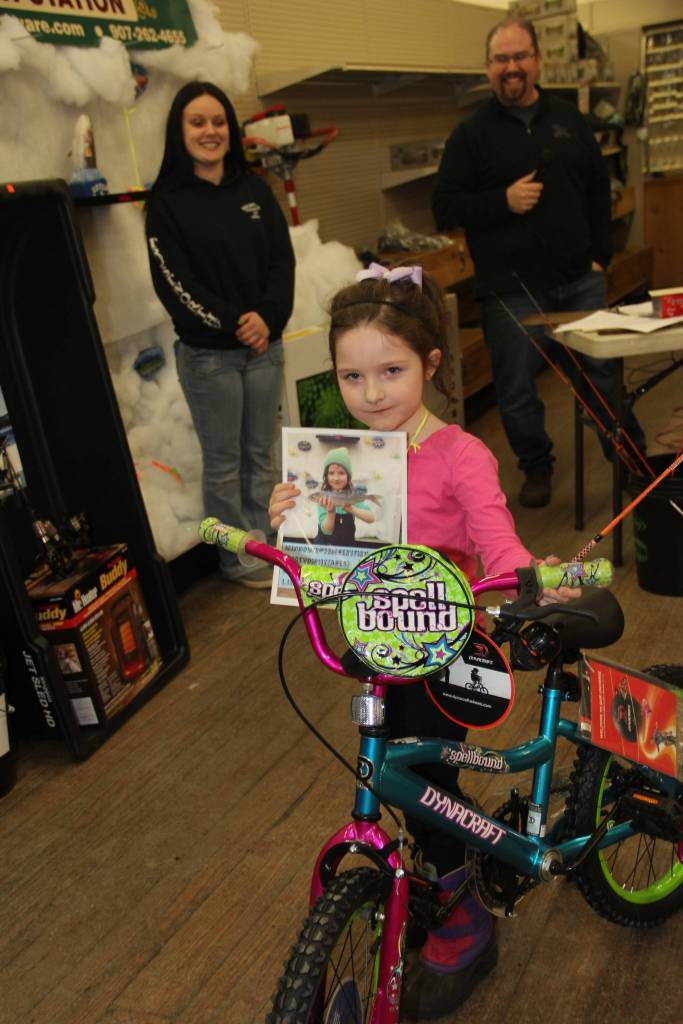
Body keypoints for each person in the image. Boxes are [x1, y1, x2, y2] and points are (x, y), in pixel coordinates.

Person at [268, 264, 579, 1020]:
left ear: (431, 365)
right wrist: (287, 519)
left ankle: (462, 915)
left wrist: (524, 576)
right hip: (376, 644)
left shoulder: (459, 454)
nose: (371, 393)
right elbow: (321, 560)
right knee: (394, 778)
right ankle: (435, 878)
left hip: (443, 646)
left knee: (430, 784)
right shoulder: (338, 457)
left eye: (391, 371)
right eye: (351, 375)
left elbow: (493, 537)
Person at [432, 18, 645, 509]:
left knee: (602, 375)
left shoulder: (570, 120)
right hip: (510, 290)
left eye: (520, 56)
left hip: (578, 281)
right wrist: (502, 201)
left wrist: (599, 258)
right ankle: (537, 466)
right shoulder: (471, 136)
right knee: (516, 389)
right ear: (488, 68)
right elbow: (445, 207)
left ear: (536, 61)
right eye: (501, 59)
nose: (512, 67)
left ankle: (631, 461)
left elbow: (597, 189)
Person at [146, 81, 295, 587]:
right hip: (211, 357)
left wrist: (268, 317)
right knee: (225, 463)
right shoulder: (166, 203)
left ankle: (270, 547)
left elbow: (282, 261)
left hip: (264, 348)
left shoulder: (254, 190)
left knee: (262, 454)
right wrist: (238, 322)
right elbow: (175, 283)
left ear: (230, 129)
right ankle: (235, 556)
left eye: (217, 122)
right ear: (180, 131)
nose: (210, 131)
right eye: (197, 122)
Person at [314, 446, 375, 545]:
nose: (336, 477)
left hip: (348, 550)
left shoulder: (352, 496)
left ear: (348, 477)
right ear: (326, 476)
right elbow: (327, 531)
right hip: (325, 550)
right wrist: (330, 512)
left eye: (341, 473)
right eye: (331, 473)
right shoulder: (323, 499)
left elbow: (371, 518)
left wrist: (352, 509)